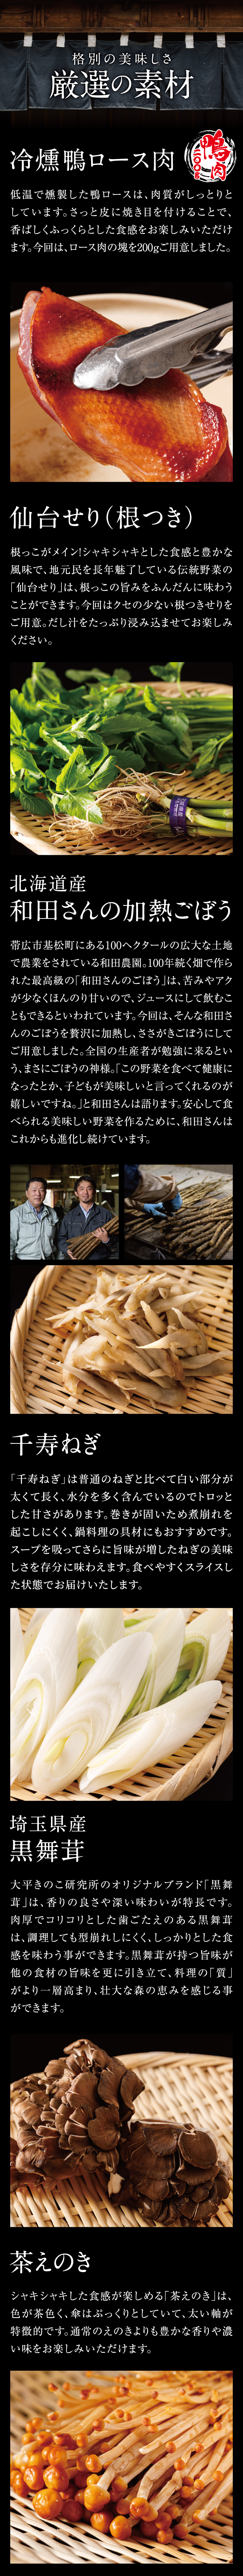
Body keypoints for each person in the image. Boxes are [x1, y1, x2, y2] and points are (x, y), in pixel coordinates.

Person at [58, 1174, 112, 1261]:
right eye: (82, 1189)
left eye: (89, 1189)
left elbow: (117, 1237)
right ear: (77, 1193)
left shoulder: (106, 1214)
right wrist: (67, 1250)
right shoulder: (69, 1217)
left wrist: (107, 1240)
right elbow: (61, 1239)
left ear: (95, 1192)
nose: (86, 1192)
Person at [10, 1178, 58, 1262]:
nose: (38, 1194)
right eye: (34, 1190)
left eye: (42, 1190)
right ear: (27, 1193)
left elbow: (58, 1242)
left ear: (46, 1193)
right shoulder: (16, 1214)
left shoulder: (53, 1213)